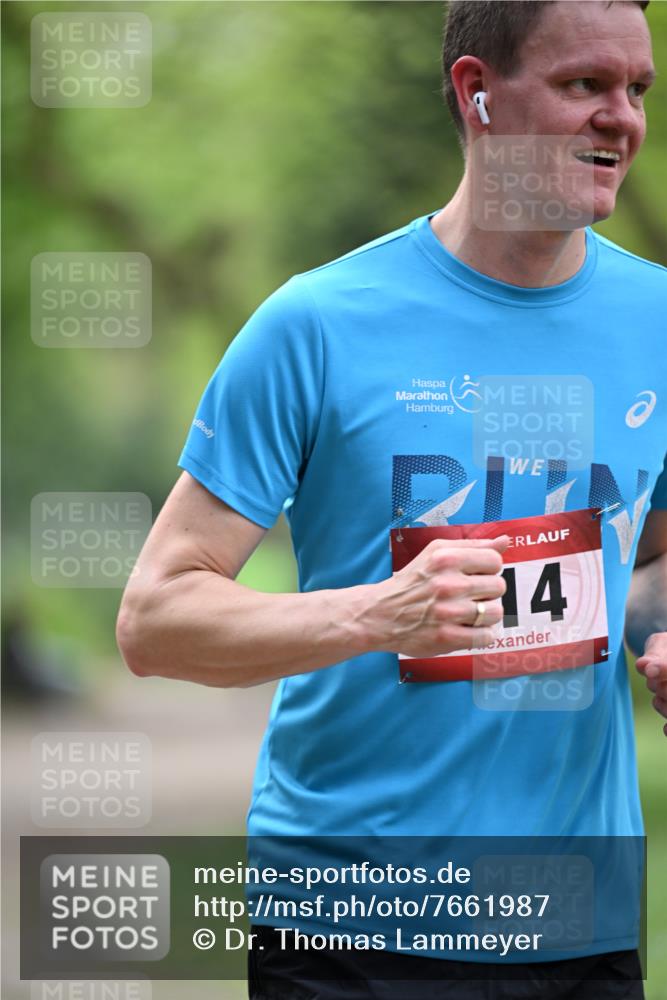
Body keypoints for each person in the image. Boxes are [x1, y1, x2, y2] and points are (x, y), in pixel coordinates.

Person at [117, 1, 667, 997]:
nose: (620, 119)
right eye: (584, 85)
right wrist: (378, 613)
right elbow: (155, 617)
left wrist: (662, 630)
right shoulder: (318, 326)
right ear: (476, 94)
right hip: (355, 929)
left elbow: (651, 558)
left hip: (577, 928)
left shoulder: (658, 323)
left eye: (635, 91)